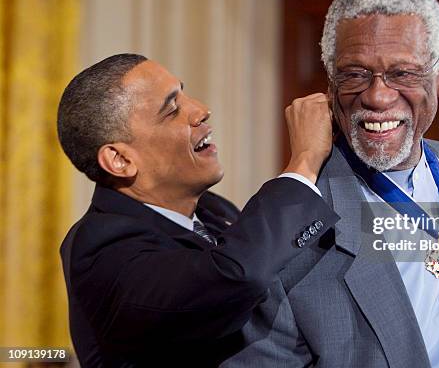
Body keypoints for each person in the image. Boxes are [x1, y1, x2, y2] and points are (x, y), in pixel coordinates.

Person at [224, 0, 439, 368]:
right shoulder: (294, 225)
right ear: (331, 84)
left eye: (402, 73)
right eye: (355, 74)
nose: (377, 96)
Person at [57, 53, 339, 367]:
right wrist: (304, 161)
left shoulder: (213, 210)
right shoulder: (100, 249)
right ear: (120, 160)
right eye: (171, 109)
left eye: (184, 92)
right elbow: (236, 278)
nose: (201, 110)